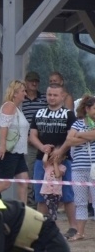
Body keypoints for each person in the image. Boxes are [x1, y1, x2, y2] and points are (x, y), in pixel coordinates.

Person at [29, 83, 77, 239]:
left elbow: (72, 137)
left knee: (67, 194)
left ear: (62, 96)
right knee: (40, 195)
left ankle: (73, 228)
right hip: (41, 160)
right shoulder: (39, 113)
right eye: (49, 94)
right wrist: (42, 147)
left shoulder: (69, 115)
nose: (52, 97)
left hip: (64, 160)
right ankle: (40, 228)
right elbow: (32, 136)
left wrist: (60, 151)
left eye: (55, 95)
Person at [66, 95, 95, 239]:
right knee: (80, 201)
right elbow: (69, 140)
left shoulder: (79, 127)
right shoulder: (77, 123)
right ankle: (80, 232)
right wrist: (87, 136)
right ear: (87, 109)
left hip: (94, 168)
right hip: (78, 167)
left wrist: (79, 135)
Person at [21, 71, 46, 207]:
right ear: (26, 81)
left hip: (43, 141)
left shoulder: (44, 98)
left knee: (44, 173)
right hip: (28, 143)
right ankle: (31, 205)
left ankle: (43, 204)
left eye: (36, 81)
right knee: (29, 174)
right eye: (31, 81)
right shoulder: (21, 100)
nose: (34, 83)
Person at [39, 152, 64, 221]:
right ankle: (52, 218)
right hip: (46, 191)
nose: (55, 159)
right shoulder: (48, 166)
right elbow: (44, 160)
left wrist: (55, 163)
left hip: (57, 192)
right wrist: (46, 152)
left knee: (54, 207)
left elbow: (58, 175)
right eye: (54, 157)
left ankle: (51, 219)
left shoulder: (62, 167)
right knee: (50, 207)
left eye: (57, 157)